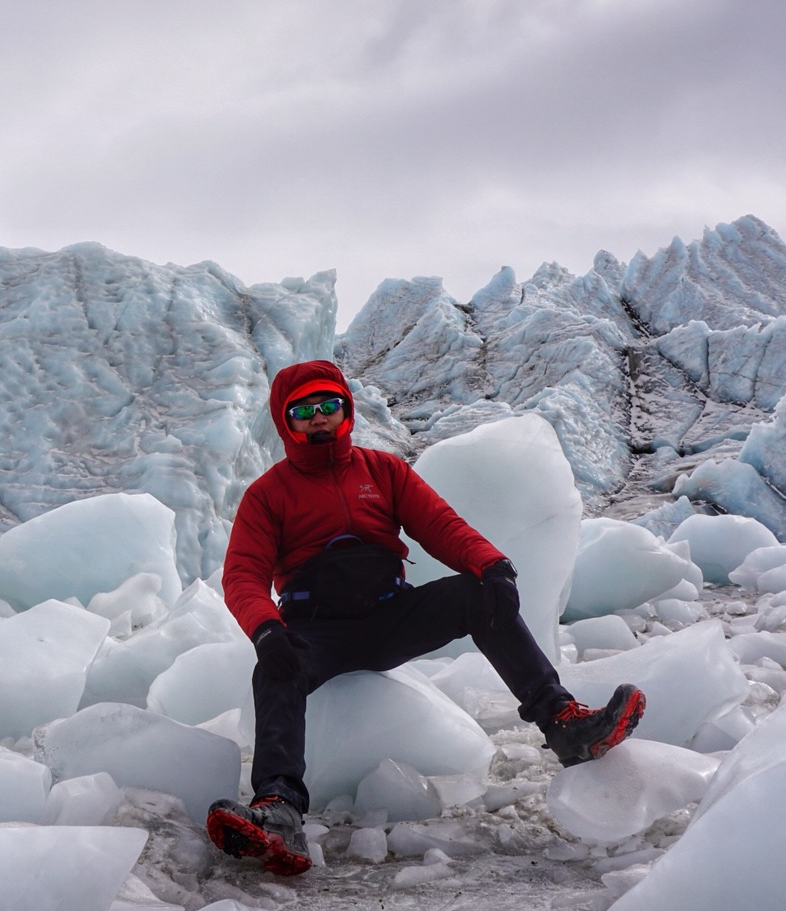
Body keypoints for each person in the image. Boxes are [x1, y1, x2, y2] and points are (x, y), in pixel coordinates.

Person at [205, 360, 645, 876]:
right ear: (287, 423)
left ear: (346, 411)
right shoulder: (269, 494)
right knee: (275, 669)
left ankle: (563, 721)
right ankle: (278, 808)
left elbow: (440, 524)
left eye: (329, 406)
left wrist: (491, 563)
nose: (319, 419)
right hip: (316, 632)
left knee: (479, 596)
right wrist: (265, 628)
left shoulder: (382, 471)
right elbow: (243, 574)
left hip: (390, 617)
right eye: (304, 411)